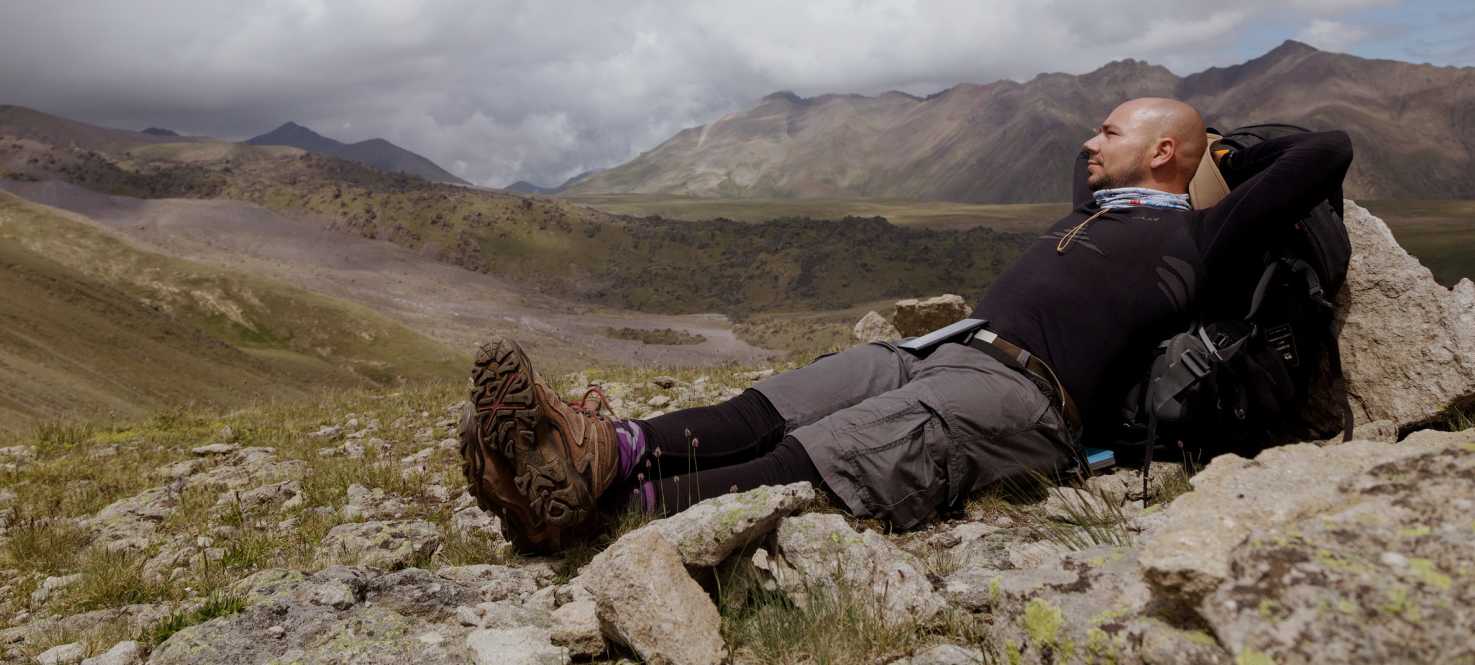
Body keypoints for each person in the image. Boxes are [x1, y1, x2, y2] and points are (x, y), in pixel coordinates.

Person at [458, 98, 1353, 551]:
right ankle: (595, 451)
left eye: (1109, 130)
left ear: (1163, 151)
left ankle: (598, 517)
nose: (1088, 141)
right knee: (769, 405)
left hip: (1023, 398)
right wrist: (1147, 146)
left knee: (819, 456)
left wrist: (1219, 149)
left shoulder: (1201, 237)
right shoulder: (1096, 208)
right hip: (938, 349)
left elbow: (1324, 150)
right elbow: (1088, 164)